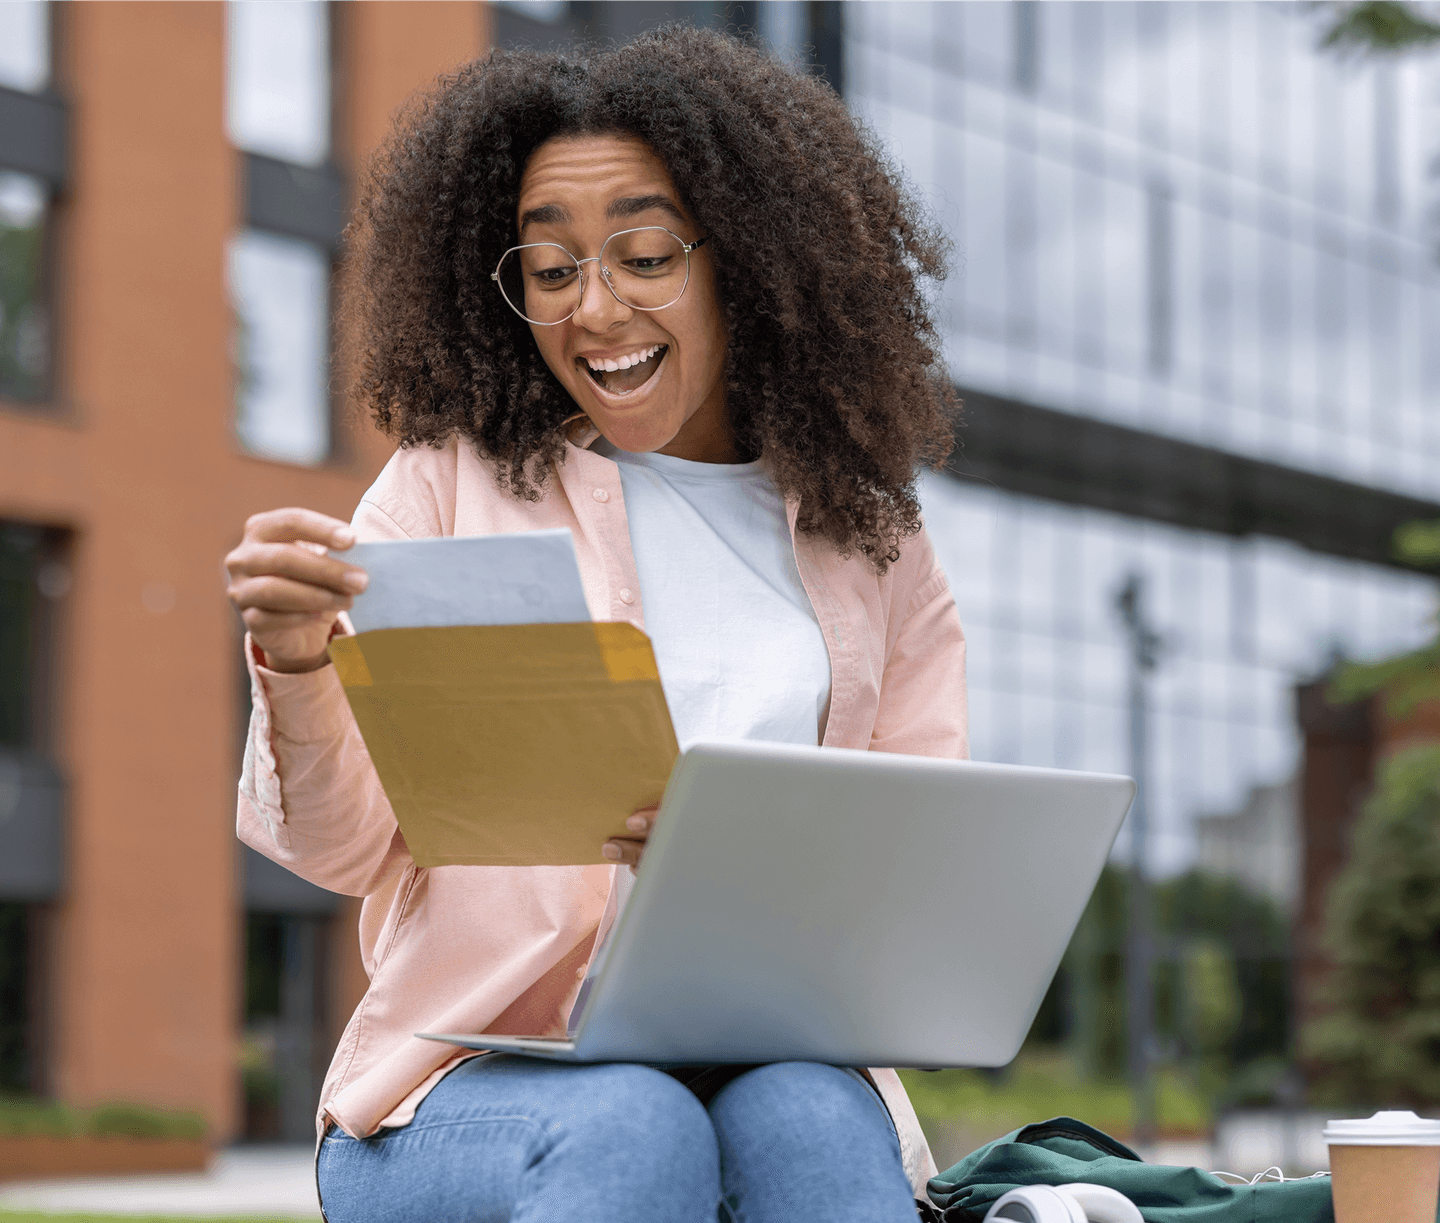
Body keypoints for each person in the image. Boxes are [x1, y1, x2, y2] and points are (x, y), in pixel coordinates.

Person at [225, 25, 967, 1223]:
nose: (597, 308)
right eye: (554, 267)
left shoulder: (870, 532)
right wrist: (299, 661)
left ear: (747, 258)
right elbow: (346, 850)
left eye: (644, 253)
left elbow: (912, 870)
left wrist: (741, 855)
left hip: (766, 1055)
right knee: (635, 1115)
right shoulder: (444, 488)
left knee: (821, 1117)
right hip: (468, 1090)